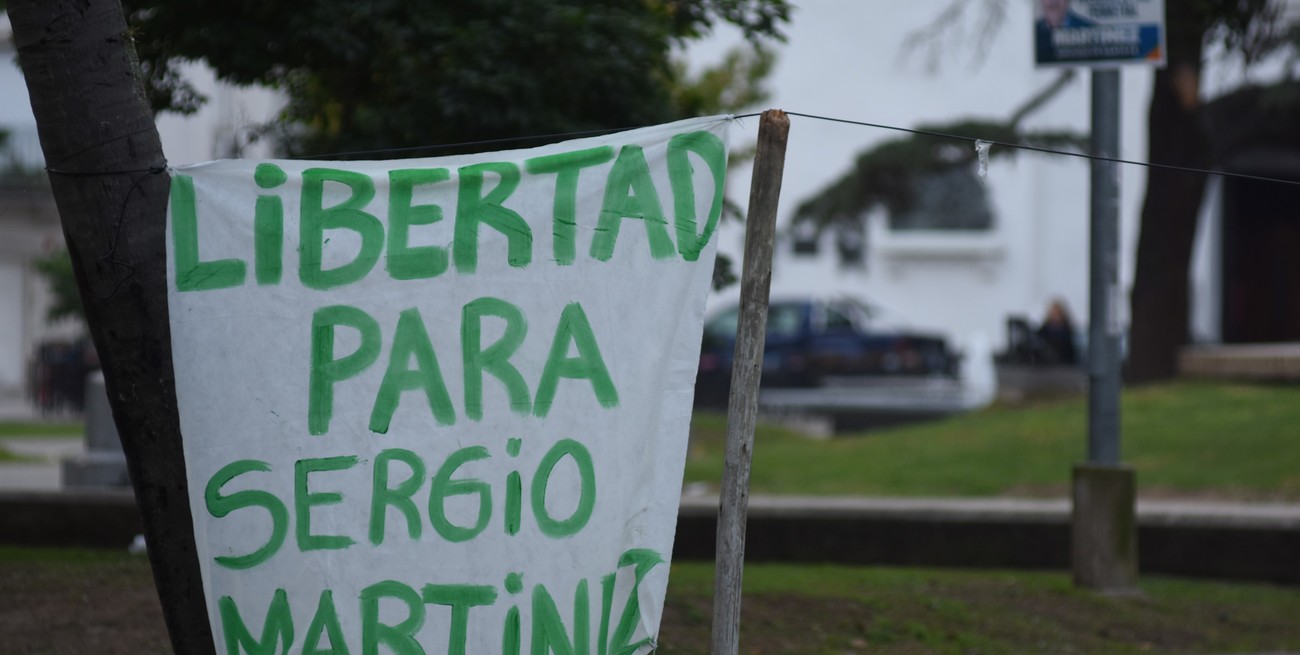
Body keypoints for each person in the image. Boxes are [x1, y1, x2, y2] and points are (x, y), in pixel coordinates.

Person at [1036, 299, 1078, 365]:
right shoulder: (1044, 329)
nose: (1055, 316)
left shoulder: (1066, 329)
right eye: (1053, 313)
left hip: (1064, 363)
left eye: (1057, 313)